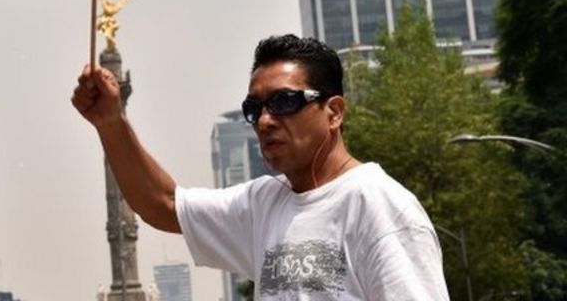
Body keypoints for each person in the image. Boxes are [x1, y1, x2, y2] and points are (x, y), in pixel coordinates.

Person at [71, 34, 450, 299]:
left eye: (284, 101)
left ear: (334, 112)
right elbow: (163, 204)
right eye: (254, 109)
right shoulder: (263, 204)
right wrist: (111, 122)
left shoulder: (381, 208)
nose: (266, 120)